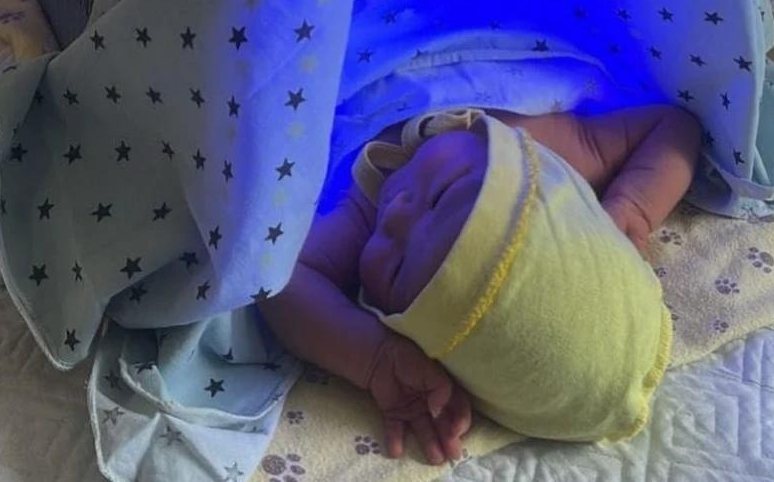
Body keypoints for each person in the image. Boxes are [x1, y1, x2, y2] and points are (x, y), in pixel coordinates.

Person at [258, 101, 702, 465]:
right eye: (443, 194)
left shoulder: (362, 215)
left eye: (396, 267)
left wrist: (374, 357)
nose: (397, 214)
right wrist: (632, 209)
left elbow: (281, 286)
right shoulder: (539, 144)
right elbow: (674, 125)